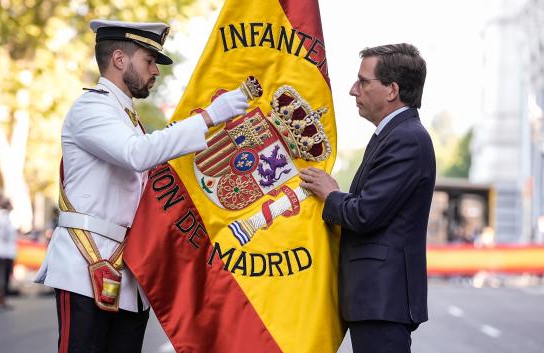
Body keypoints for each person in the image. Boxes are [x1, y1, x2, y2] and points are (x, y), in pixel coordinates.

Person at [34, 19, 250, 353]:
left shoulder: (127, 119)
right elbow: (137, 155)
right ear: (119, 59)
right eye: (149, 61)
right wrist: (208, 117)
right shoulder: (92, 108)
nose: (155, 71)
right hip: (85, 263)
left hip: (127, 269)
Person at [300, 43, 435, 353]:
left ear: (392, 90)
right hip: (375, 299)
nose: (352, 90)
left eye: (363, 81)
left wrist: (330, 194)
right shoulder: (393, 135)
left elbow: (366, 214)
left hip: (382, 300)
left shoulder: (407, 139)